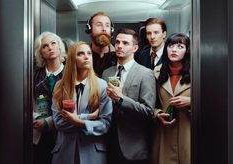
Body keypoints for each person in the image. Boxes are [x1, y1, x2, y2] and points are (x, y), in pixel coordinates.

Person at [51, 41, 113, 164]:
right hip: (64, 152)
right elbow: (58, 122)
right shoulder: (60, 86)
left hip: (92, 152)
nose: (86, 56)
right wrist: (88, 117)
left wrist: (77, 121)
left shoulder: (101, 85)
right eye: (81, 53)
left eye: (89, 53)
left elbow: (105, 124)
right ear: (72, 59)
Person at [102, 28, 156, 164]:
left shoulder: (145, 74)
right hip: (107, 143)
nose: (119, 46)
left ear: (135, 48)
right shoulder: (106, 73)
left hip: (133, 148)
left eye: (125, 43)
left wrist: (121, 99)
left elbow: (148, 112)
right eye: (118, 42)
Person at [151, 33, 191, 164]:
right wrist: (158, 114)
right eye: (171, 46)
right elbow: (150, 103)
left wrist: (190, 102)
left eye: (180, 46)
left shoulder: (197, 72)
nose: (174, 50)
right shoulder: (156, 73)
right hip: (164, 132)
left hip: (188, 131)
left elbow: (212, 102)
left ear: (187, 50)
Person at [33, 31, 66, 164]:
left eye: (53, 44)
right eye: (45, 46)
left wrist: (50, 122)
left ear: (59, 47)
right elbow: (26, 102)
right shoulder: (34, 76)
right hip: (40, 133)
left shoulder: (71, 73)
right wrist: (38, 119)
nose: (50, 47)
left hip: (66, 131)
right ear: (40, 52)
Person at [86, 11, 117, 77]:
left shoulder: (118, 56)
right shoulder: (80, 55)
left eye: (107, 25)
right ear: (90, 29)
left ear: (111, 31)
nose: (104, 29)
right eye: (99, 25)